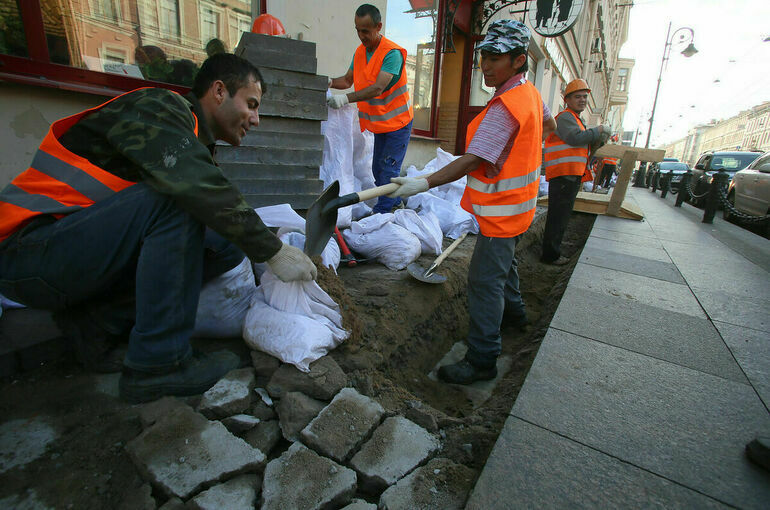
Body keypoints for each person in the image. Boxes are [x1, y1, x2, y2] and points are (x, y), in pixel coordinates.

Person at [0, 53, 317, 403]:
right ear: (218, 91)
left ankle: (96, 328)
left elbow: (212, 201)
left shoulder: (190, 138)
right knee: (179, 199)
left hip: (66, 254)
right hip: (26, 250)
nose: (256, 119)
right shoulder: (158, 107)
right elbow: (193, 185)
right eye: (252, 104)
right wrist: (272, 252)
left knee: (222, 243)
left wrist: (268, 242)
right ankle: (159, 362)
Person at [388, 20, 556, 385]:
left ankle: (483, 358)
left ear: (518, 60)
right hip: (520, 208)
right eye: (484, 56)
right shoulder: (530, 94)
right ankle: (515, 315)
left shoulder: (505, 108)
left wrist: (422, 182)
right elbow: (549, 123)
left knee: (483, 281)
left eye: (496, 58)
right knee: (505, 264)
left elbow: (472, 160)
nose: (486, 65)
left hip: (502, 212)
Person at [327, 3, 413, 214]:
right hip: (382, 124)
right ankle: (395, 202)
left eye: (365, 30)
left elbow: (377, 88)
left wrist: (345, 99)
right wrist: (327, 82)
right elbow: (347, 80)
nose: (361, 35)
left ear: (378, 26)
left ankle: (382, 215)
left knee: (387, 172)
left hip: (398, 123)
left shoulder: (392, 54)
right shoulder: (359, 53)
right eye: (357, 29)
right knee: (377, 170)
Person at [541, 78, 609, 265]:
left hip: (570, 174)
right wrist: (600, 129)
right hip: (563, 175)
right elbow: (575, 138)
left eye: (585, 97)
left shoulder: (576, 119)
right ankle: (551, 255)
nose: (582, 100)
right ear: (567, 100)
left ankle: (552, 250)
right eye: (577, 97)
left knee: (561, 215)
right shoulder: (565, 117)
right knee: (558, 216)